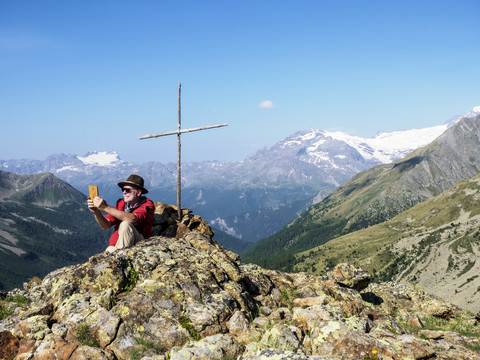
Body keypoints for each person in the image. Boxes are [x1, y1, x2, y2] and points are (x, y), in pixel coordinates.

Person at [87, 174, 155, 253]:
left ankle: (120, 257)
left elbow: (132, 218)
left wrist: (105, 208)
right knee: (103, 261)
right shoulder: (121, 203)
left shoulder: (147, 204)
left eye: (128, 190)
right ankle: (118, 256)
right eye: (123, 189)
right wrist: (96, 212)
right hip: (116, 243)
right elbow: (105, 225)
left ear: (139, 192)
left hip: (140, 243)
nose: (124, 192)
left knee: (126, 224)